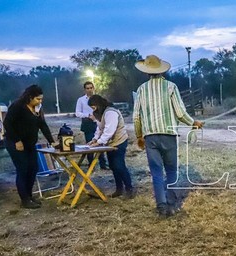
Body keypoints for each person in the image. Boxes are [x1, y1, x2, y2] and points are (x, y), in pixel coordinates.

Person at [134, 55, 204, 216]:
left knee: (157, 172)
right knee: (171, 170)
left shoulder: (141, 90)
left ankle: (161, 206)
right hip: (169, 135)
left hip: (150, 137)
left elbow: (137, 116)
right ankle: (172, 203)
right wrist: (193, 122)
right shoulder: (171, 87)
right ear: (161, 70)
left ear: (147, 72)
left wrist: (139, 136)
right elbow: (180, 113)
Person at [3, 85, 57, 209]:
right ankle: (24, 200)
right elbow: (7, 123)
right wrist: (17, 140)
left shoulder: (37, 108)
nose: (40, 101)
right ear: (30, 97)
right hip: (14, 142)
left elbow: (42, 125)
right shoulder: (18, 106)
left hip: (29, 144)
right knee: (23, 169)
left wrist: (52, 141)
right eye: (38, 99)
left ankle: (29, 195)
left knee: (33, 168)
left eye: (41, 99)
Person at [86, 95, 134, 199]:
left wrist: (98, 142)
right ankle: (119, 189)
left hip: (119, 141)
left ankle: (129, 189)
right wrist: (94, 139)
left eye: (94, 107)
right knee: (113, 166)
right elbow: (100, 128)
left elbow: (109, 131)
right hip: (110, 144)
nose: (93, 110)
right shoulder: (101, 113)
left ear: (98, 105)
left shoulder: (110, 112)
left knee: (119, 165)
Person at [75, 81, 108, 170]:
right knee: (90, 144)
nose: (89, 90)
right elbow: (77, 113)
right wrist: (88, 116)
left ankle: (103, 164)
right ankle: (91, 164)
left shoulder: (98, 99)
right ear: (85, 89)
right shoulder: (81, 100)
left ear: (93, 88)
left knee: (100, 143)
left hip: (98, 122)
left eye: (91, 88)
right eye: (87, 88)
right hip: (88, 123)